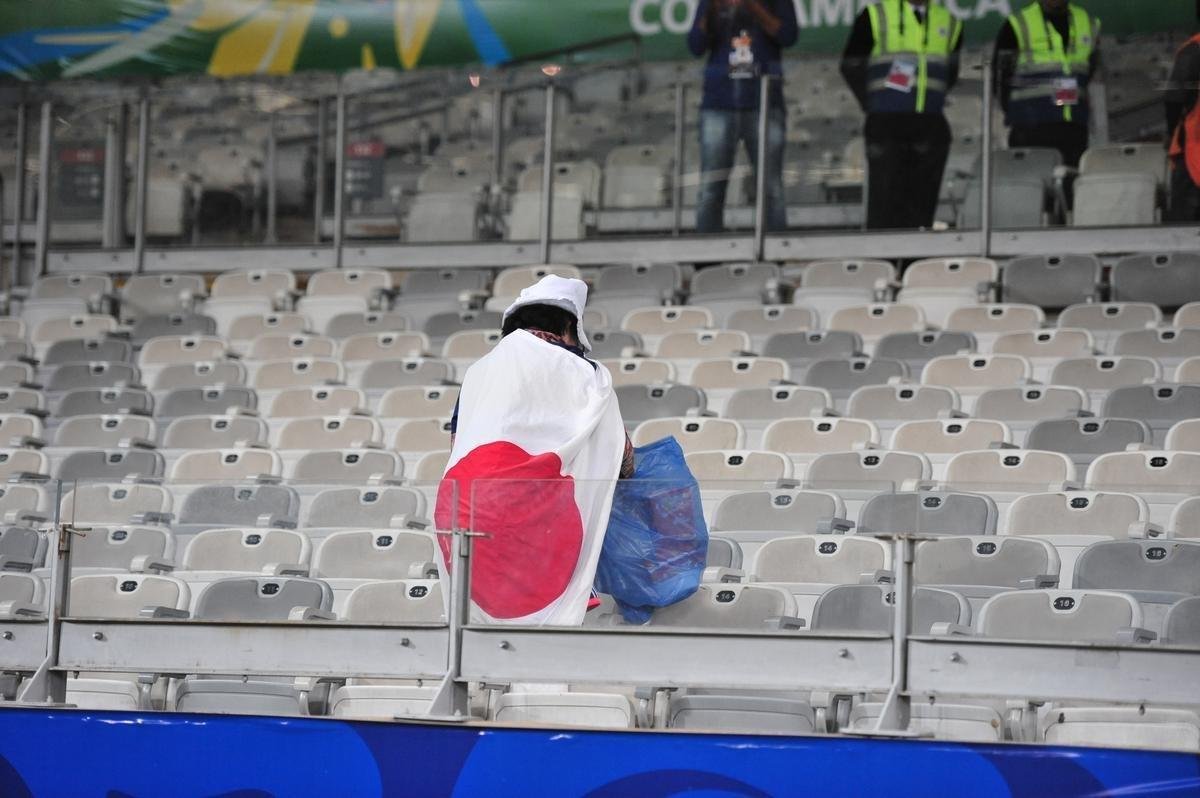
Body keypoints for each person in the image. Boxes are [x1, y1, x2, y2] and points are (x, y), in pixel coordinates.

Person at [436, 275, 632, 627]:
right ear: (569, 327)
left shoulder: (478, 372)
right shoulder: (584, 372)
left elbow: (459, 444)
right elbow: (621, 459)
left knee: (480, 634)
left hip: (460, 512)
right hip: (532, 516)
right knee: (544, 629)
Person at [840, 0, 963, 230]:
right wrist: (873, 103)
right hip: (887, 122)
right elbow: (850, 64)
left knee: (922, 209)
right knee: (884, 206)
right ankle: (883, 254)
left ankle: (916, 253)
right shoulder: (875, 15)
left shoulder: (950, 22)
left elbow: (951, 72)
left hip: (930, 123)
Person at [687, 0, 797, 234]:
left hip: (764, 103)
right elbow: (695, 46)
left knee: (771, 187)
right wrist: (713, 9)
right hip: (719, 104)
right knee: (710, 187)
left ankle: (777, 250)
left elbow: (788, 36)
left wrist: (753, 6)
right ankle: (706, 253)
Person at [993, 0, 1101, 168]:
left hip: (1073, 126)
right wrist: (1019, 113)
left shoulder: (1086, 22)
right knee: (1032, 181)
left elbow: (1090, 67)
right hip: (1030, 128)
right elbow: (1000, 78)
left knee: (1070, 180)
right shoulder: (1019, 24)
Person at [1167, 24, 1200, 222]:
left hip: (1193, 153)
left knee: (1183, 226)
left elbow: (1174, 100)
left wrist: (1172, 133)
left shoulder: (1193, 50)